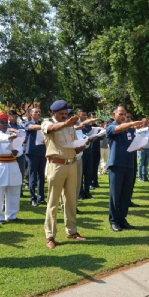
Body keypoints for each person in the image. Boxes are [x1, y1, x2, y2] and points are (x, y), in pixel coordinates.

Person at [42, 100, 88, 249]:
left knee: (71, 200)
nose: (64, 116)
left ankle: (72, 231)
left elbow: (75, 145)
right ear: (53, 113)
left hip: (71, 163)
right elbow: (52, 128)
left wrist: (83, 145)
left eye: (65, 113)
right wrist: (66, 123)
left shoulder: (70, 126)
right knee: (53, 201)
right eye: (61, 114)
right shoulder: (46, 123)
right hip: (56, 165)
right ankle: (50, 235)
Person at [106, 106, 144, 231]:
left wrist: (139, 144)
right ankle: (113, 220)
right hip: (117, 165)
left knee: (126, 194)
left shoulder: (129, 130)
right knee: (115, 195)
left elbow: (130, 143)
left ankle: (122, 218)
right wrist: (131, 124)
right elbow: (118, 129)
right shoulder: (111, 127)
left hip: (129, 164)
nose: (123, 117)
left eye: (125, 114)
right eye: (120, 114)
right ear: (114, 114)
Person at [0, 110, 23, 224]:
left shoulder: (11, 134)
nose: (4, 124)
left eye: (5, 122)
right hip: (0, 165)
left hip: (12, 164)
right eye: (1, 122)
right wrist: (9, 139)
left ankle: (11, 215)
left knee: (14, 190)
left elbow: (20, 150)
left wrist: (15, 151)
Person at [24, 108, 46, 207]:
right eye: (35, 112)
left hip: (42, 152)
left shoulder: (43, 123)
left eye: (39, 112)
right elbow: (32, 127)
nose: (38, 113)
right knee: (32, 176)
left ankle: (41, 197)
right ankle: (33, 198)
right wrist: (43, 126)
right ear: (31, 114)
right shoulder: (28, 123)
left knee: (41, 176)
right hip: (32, 153)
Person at [8, 110, 26, 196]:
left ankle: (20, 190)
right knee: (11, 172)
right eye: (12, 117)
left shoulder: (19, 126)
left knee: (20, 172)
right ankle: (11, 190)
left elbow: (24, 137)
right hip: (10, 152)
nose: (14, 118)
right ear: (9, 116)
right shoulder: (6, 126)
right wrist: (14, 130)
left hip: (20, 151)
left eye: (15, 117)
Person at [89, 112, 102, 189]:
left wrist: (102, 135)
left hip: (97, 148)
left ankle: (95, 181)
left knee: (96, 166)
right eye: (92, 118)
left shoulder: (97, 127)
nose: (93, 119)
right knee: (90, 167)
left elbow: (100, 137)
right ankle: (90, 182)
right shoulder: (87, 127)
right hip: (90, 149)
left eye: (94, 117)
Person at [137, 118, 149, 182]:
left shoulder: (147, 130)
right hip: (142, 149)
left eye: (146, 122)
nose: (145, 123)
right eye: (144, 122)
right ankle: (140, 177)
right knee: (140, 164)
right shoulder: (140, 130)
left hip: (147, 148)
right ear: (142, 122)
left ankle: (145, 177)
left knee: (146, 164)